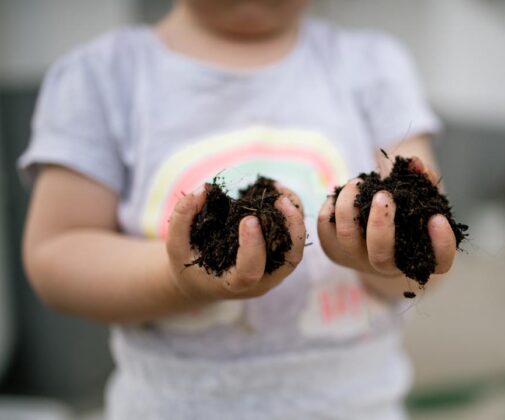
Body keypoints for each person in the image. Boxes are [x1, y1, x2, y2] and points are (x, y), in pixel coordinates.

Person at [17, 1, 458, 418]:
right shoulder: (100, 77)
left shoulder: (374, 67)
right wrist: (177, 276)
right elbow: (58, 250)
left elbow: (425, 245)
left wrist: (382, 254)